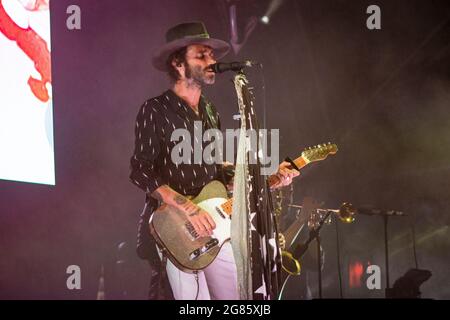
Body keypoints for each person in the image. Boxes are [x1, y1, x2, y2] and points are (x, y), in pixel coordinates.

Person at [129, 21, 298, 300]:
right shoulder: (155, 109)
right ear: (178, 64)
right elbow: (141, 171)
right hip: (176, 226)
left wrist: (266, 177)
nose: (212, 61)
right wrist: (188, 209)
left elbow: (215, 168)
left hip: (214, 225)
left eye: (212, 54)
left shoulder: (209, 110)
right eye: (202, 55)